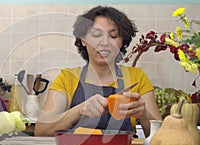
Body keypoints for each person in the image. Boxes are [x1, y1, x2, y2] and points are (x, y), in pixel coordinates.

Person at [35, 6, 161, 137]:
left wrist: (144, 114)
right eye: (96, 34)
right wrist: (79, 110)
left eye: (113, 35)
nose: (105, 42)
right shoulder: (67, 78)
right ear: (83, 40)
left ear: (122, 41)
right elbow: (41, 131)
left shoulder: (137, 77)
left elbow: (162, 137)